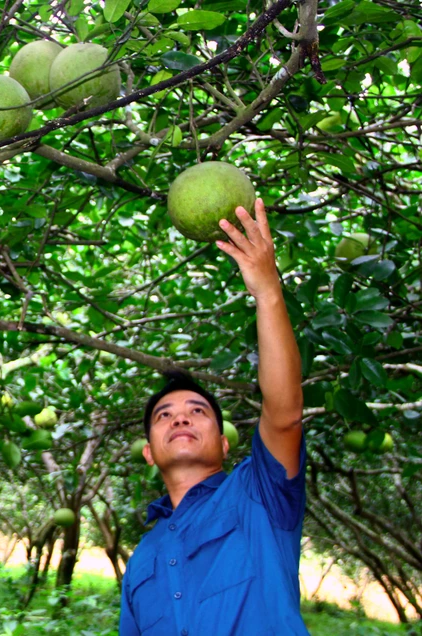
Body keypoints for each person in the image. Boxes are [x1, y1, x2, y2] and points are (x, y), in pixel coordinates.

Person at [119, 200, 307, 635]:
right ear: (149, 453)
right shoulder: (143, 559)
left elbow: (283, 415)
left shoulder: (260, 496)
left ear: (225, 443)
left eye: (197, 412)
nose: (180, 420)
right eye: (164, 415)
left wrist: (267, 290)